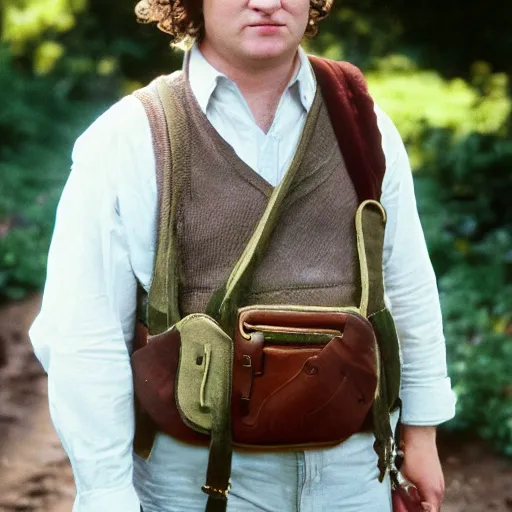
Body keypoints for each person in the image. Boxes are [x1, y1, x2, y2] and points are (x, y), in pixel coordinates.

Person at [29, 0, 456, 511]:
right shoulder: (130, 136)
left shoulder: (364, 124)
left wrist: (422, 435)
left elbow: (407, 287)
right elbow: (84, 334)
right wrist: (105, 492)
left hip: (355, 469)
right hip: (194, 479)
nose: (267, 2)